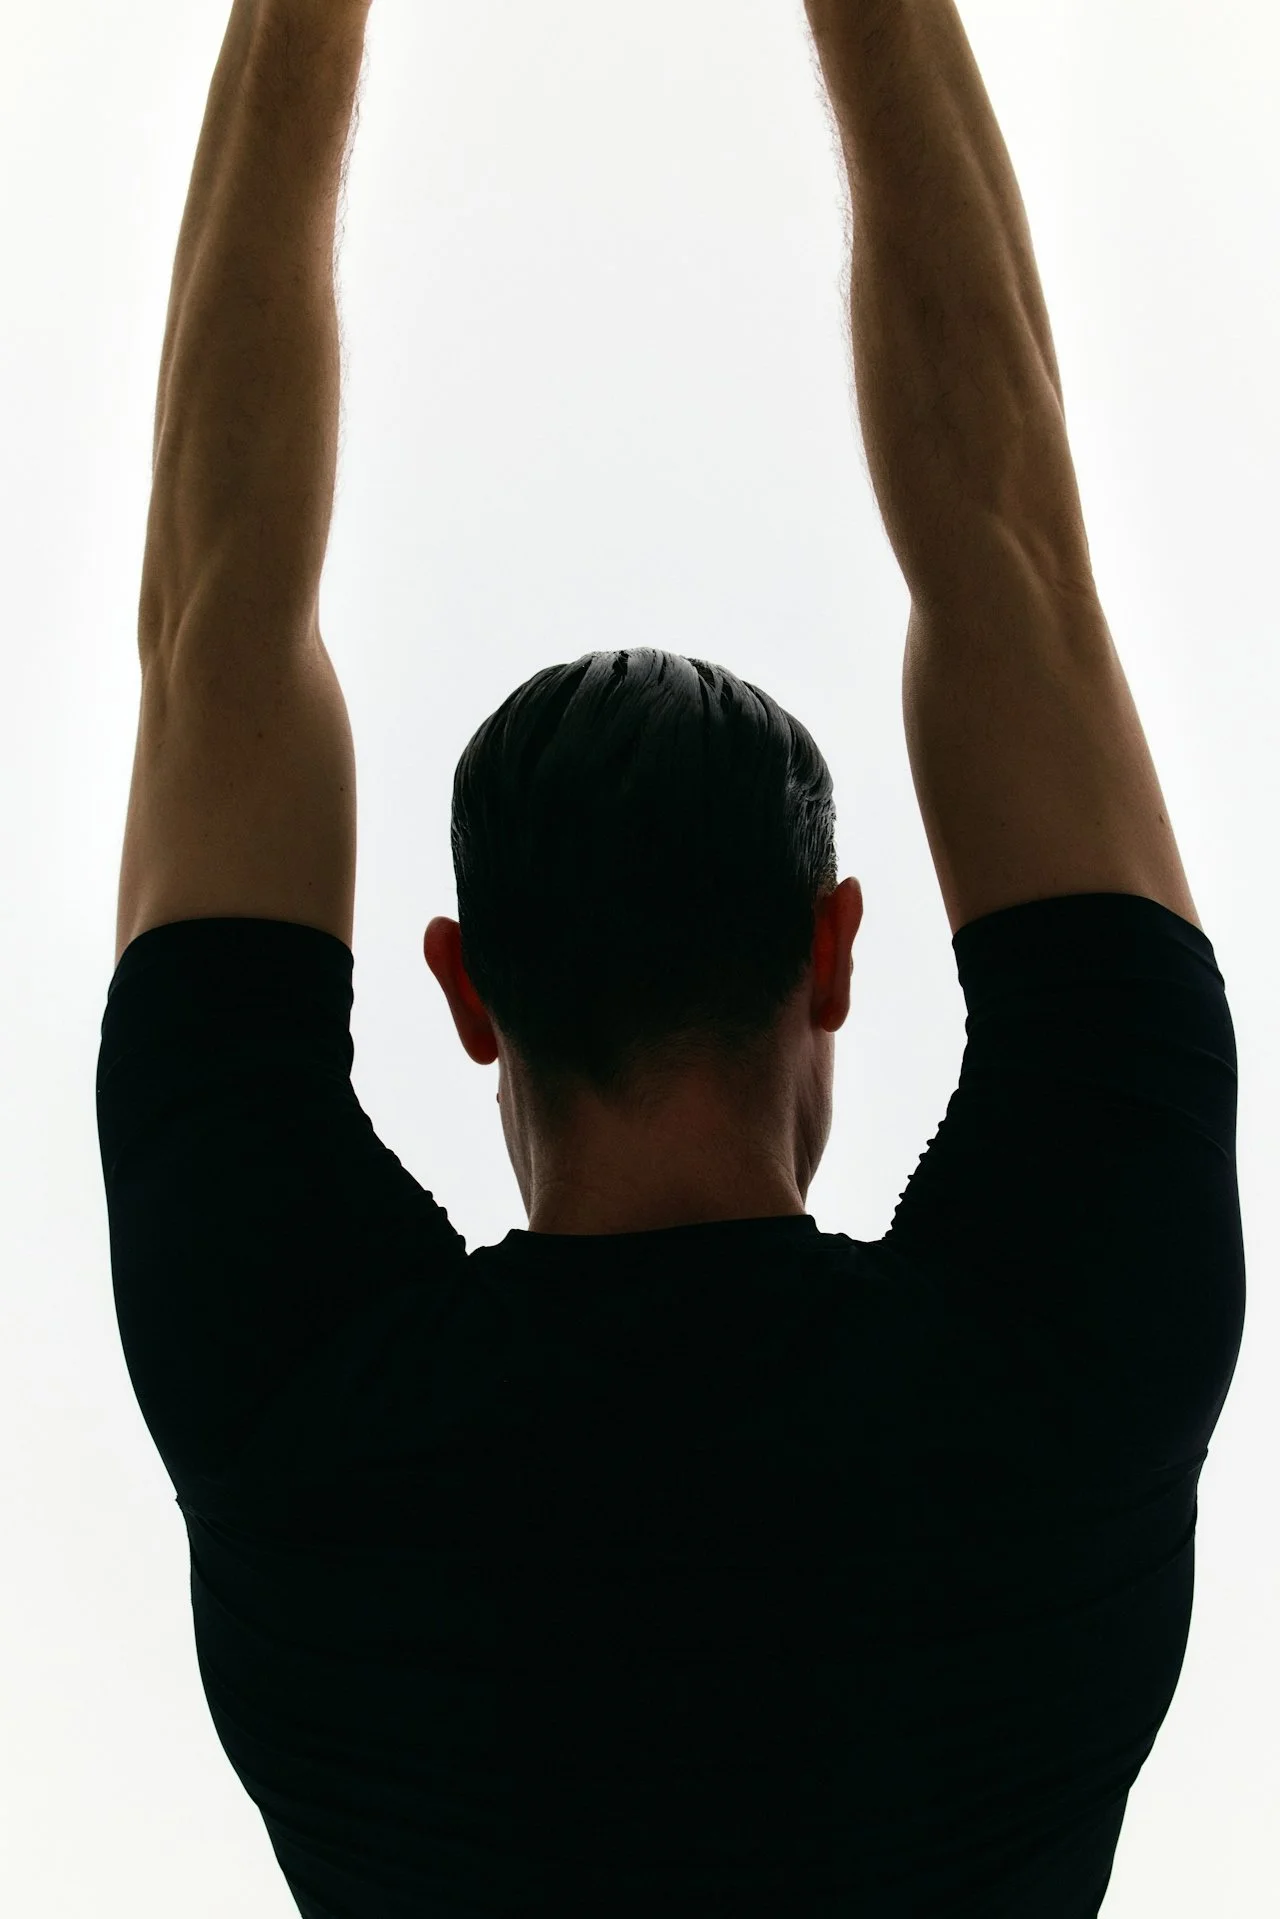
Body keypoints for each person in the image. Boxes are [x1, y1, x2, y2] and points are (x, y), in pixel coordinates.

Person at [96, 2, 1245, 1913]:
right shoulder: (1064, 1396)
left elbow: (215, 620)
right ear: (834, 952)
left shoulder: (304, 1420)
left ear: (468, 992)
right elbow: (1010, 558)